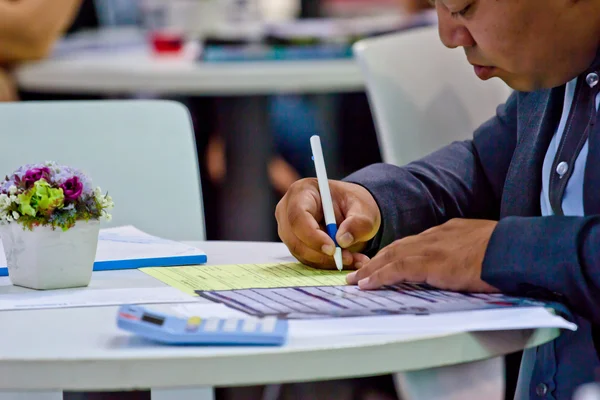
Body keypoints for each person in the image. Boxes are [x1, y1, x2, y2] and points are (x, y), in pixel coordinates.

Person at [275, 0, 600, 398]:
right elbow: (484, 168)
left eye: (463, 7)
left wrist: (507, 251)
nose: (449, 36)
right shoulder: (558, 74)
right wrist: (371, 202)